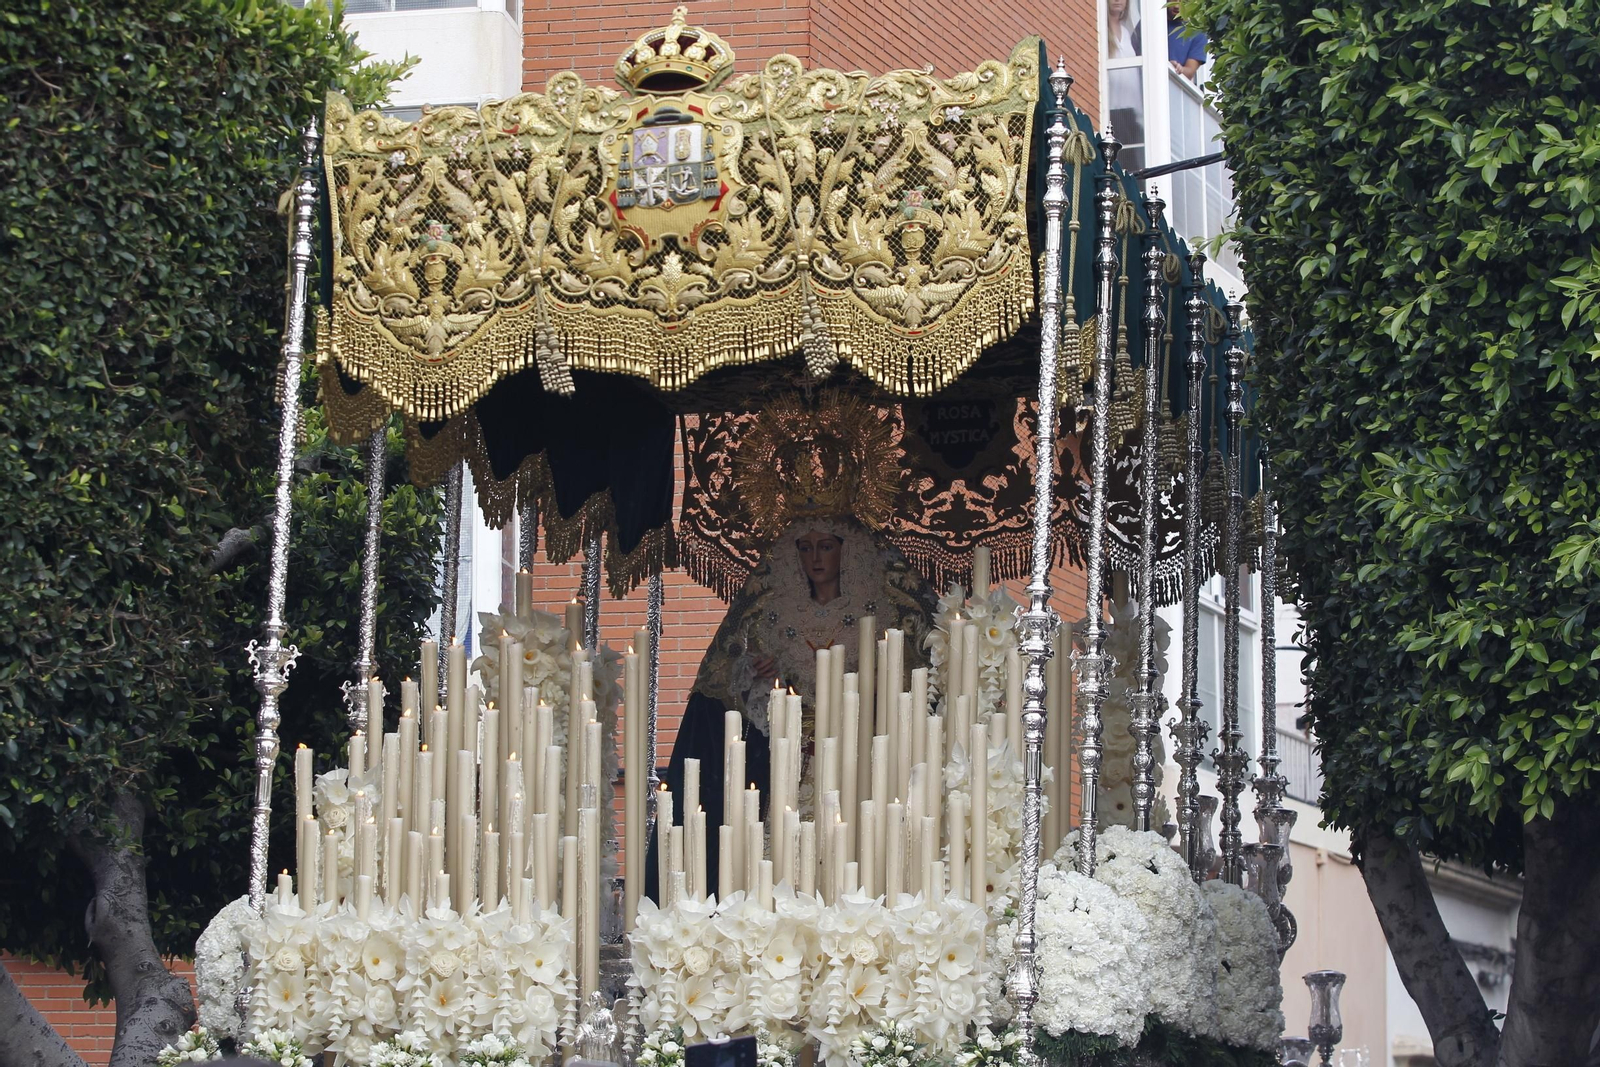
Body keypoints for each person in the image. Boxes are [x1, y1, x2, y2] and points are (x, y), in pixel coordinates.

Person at [646, 514, 936, 900]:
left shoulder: (881, 612)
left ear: (846, 551)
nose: (815, 557)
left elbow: (916, 676)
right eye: (805, 547)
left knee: (854, 847)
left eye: (826, 546)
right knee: (782, 851)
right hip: (788, 759)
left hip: (861, 756)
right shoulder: (771, 614)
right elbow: (727, 687)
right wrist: (754, 673)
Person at [1167, 1, 1207, 79]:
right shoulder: (1149, 23)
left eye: (1182, 1)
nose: (1176, 6)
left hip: (1174, 86)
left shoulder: (1198, 32)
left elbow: (1190, 71)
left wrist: (1177, 68)